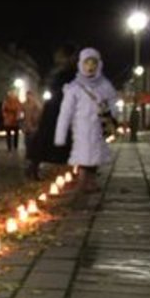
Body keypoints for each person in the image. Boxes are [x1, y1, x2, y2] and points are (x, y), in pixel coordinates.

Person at [54, 47, 117, 193]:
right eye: (87, 63)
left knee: (95, 155)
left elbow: (112, 101)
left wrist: (111, 114)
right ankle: (82, 182)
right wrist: (60, 135)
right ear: (81, 65)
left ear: (98, 65)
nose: (90, 67)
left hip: (98, 126)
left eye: (93, 63)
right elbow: (65, 112)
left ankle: (91, 182)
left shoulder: (104, 85)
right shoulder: (74, 87)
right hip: (81, 127)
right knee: (83, 155)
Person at [26, 44, 77, 180]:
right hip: (56, 108)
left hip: (61, 107)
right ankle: (33, 167)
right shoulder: (61, 72)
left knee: (65, 139)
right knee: (46, 138)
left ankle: (80, 171)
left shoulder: (69, 71)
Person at [21, 90, 42, 161]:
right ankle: (28, 154)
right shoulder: (24, 104)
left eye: (29, 95)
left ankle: (32, 154)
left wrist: (35, 119)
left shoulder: (36, 103)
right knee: (26, 141)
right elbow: (21, 113)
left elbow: (40, 112)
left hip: (33, 125)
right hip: (26, 125)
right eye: (27, 95)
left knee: (32, 140)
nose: (28, 97)